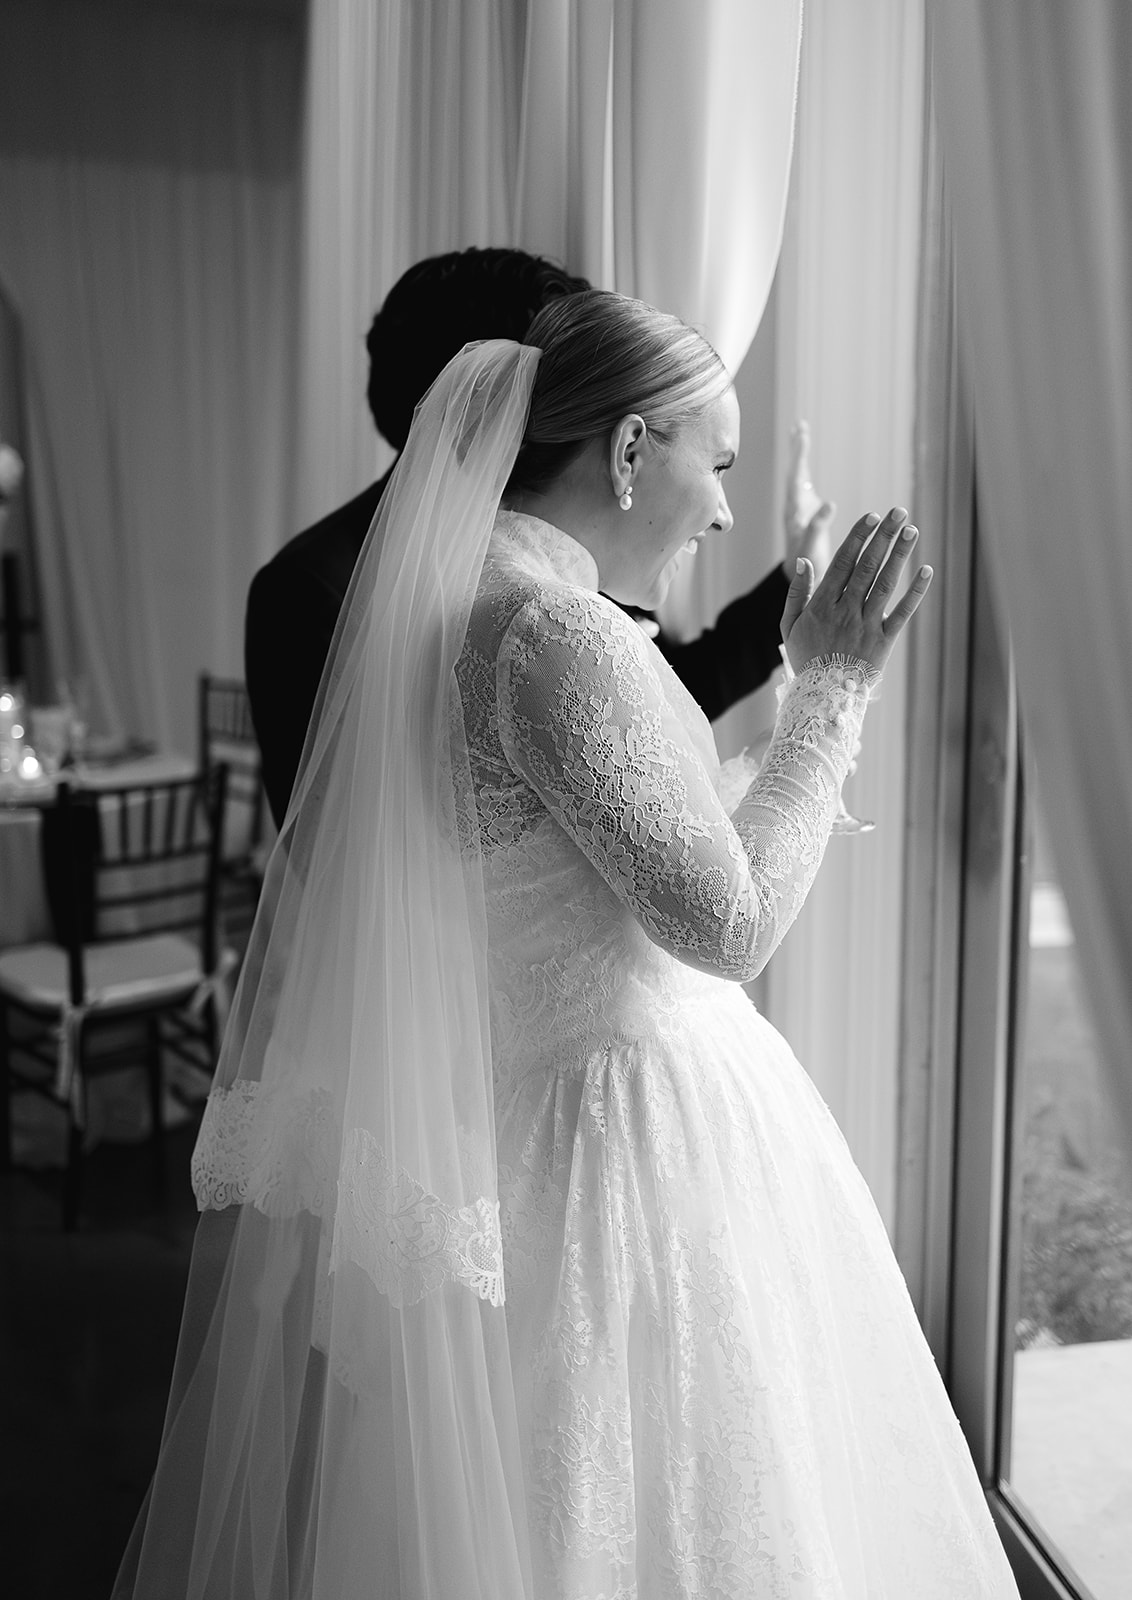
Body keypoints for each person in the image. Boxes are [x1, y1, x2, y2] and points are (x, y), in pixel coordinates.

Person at [116, 292, 1021, 1600]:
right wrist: (833, 692)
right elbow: (727, 922)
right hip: (631, 1152)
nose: (721, 508)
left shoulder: (463, 603)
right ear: (630, 453)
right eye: (715, 462)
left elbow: (620, 844)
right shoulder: (549, 628)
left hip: (538, 1123)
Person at [245, 246, 832, 826]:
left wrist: (789, 584)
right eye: (554, 368)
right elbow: (323, 845)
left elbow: (627, 724)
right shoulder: (307, 586)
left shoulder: (556, 540)